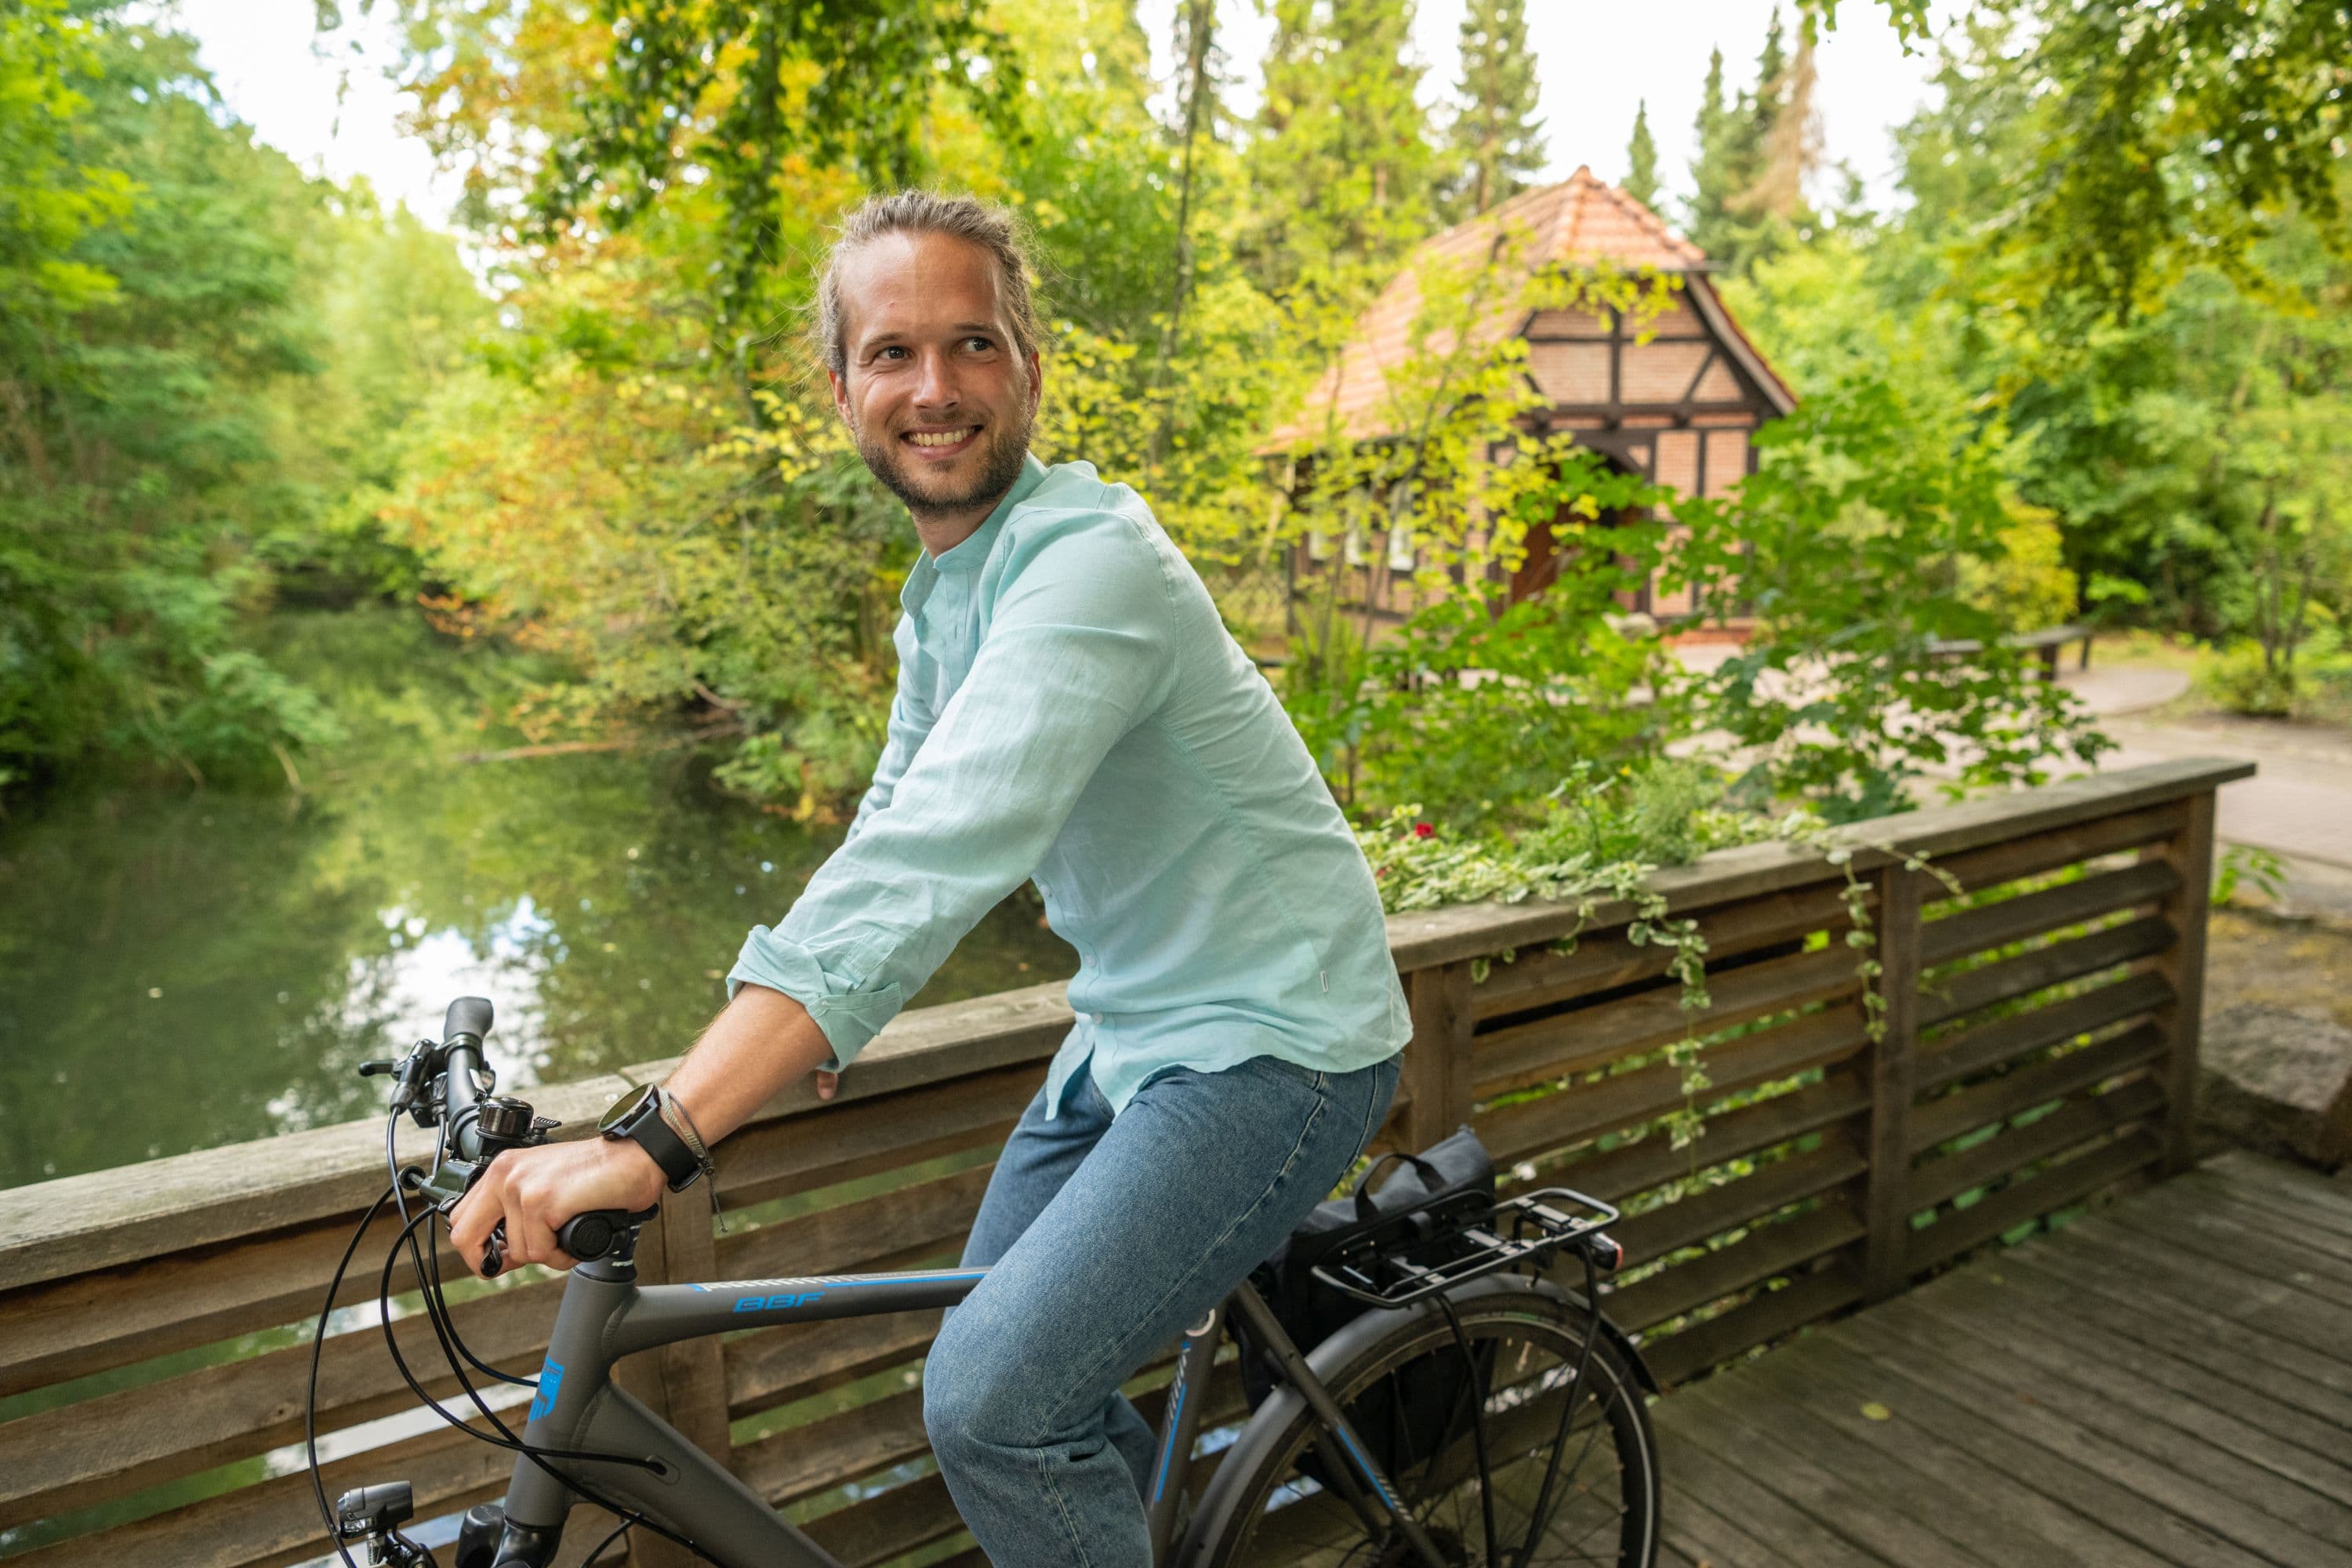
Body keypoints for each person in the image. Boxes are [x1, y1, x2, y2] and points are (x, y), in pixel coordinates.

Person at [449, 191, 1409, 1565]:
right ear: (841, 390)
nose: (935, 387)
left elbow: (939, 849)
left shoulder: (1088, 568)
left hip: (1279, 1041)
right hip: (1134, 1031)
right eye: (892, 353)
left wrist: (655, 1139)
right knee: (1004, 1368)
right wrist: (796, 1016)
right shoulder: (947, 590)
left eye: (974, 344)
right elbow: (890, 817)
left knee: (992, 1405)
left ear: (1030, 367)